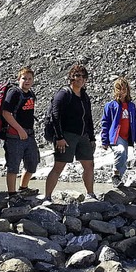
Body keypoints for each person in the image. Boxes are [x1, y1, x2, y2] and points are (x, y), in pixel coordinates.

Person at [44, 64, 96, 202]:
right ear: (71, 77)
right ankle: (47, 197)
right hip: (66, 136)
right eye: (77, 75)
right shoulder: (63, 94)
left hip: (83, 136)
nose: (80, 79)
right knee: (59, 166)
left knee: (89, 165)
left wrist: (92, 137)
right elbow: (55, 116)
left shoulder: (84, 96)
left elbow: (88, 118)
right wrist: (59, 137)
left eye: (83, 76)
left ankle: (90, 194)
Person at [2, 66, 40, 207]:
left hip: (29, 134)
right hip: (14, 135)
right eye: (24, 78)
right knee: (13, 166)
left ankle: (23, 188)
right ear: (19, 79)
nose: (27, 81)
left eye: (30, 79)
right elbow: (6, 113)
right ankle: (12, 195)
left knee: (32, 163)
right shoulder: (13, 93)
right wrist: (19, 129)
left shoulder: (30, 94)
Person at [100, 77, 136, 187]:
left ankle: (118, 181)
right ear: (115, 91)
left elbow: (135, 123)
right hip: (116, 136)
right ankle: (115, 174)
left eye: (124, 89)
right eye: (119, 89)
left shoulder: (131, 106)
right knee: (120, 151)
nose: (122, 92)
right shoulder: (111, 105)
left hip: (126, 136)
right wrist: (104, 140)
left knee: (124, 159)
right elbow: (105, 123)